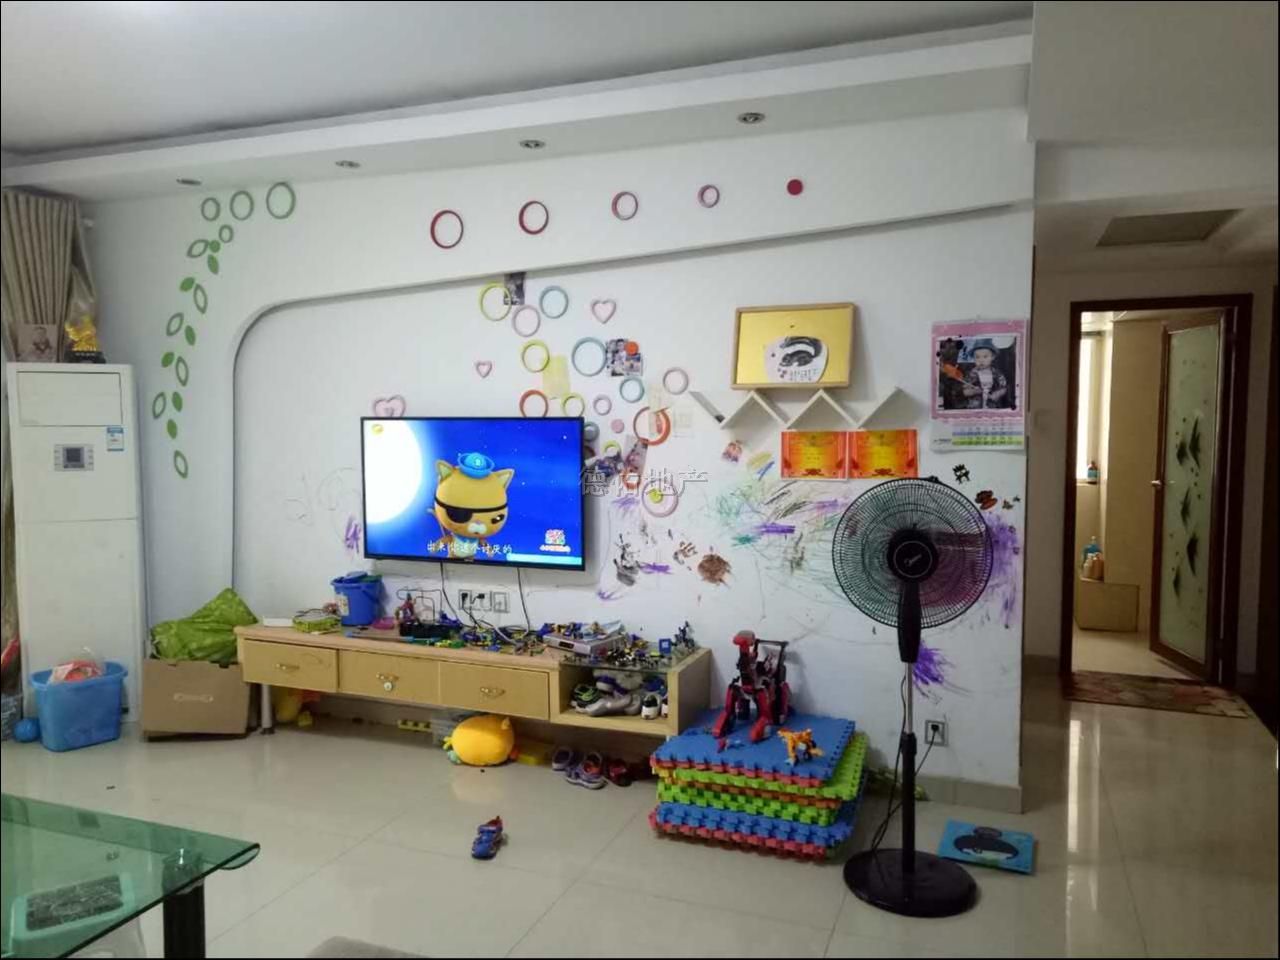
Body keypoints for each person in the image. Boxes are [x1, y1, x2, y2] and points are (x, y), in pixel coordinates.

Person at [962, 339, 1009, 408]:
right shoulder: (971, 374)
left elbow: (1004, 387)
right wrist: (974, 391)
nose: (981, 360)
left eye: (985, 357)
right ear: (973, 358)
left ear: (992, 357)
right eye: (977, 357)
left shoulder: (996, 373)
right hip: (975, 406)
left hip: (992, 405)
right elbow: (965, 392)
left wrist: (997, 393)